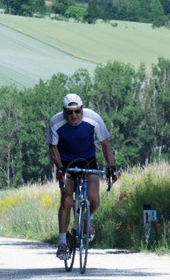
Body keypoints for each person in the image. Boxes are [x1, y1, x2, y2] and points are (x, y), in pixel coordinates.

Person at [47, 93, 117, 258]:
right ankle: (62, 242)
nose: (74, 116)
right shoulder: (55, 122)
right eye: (69, 112)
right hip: (66, 163)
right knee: (67, 200)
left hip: (88, 160)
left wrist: (112, 167)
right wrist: (60, 168)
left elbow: (105, 144)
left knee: (93, 196)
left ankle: (88, 218)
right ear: (64, 111)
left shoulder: (93, 118)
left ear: (82, 109)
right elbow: (53, 148)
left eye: (77, 111)